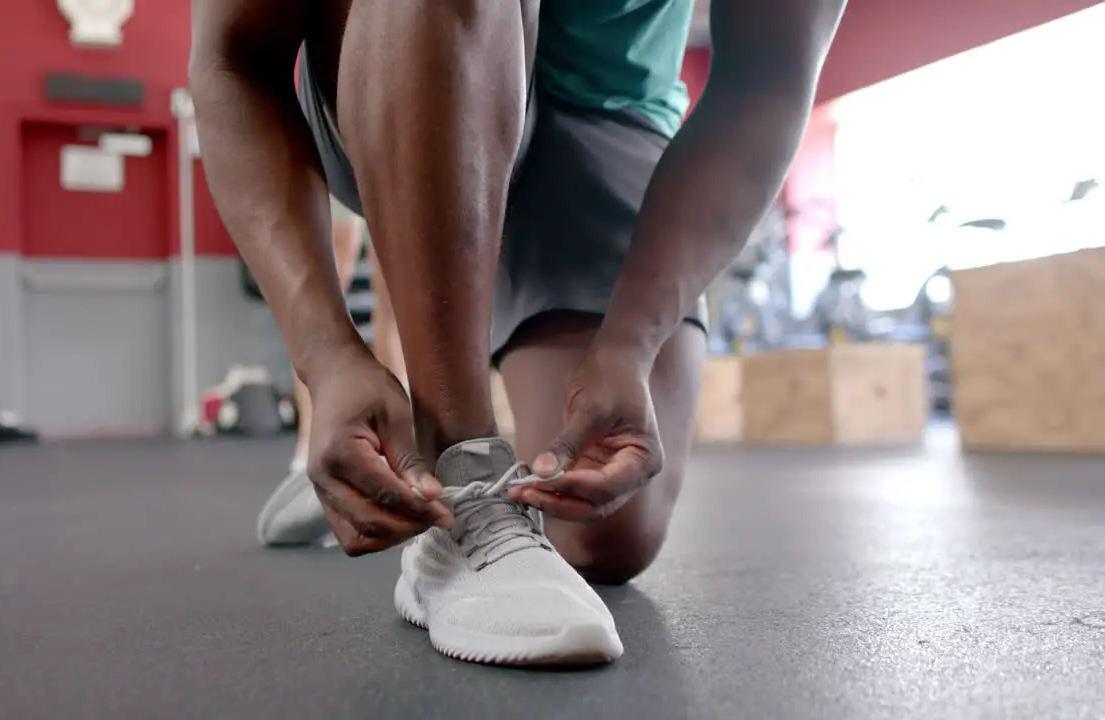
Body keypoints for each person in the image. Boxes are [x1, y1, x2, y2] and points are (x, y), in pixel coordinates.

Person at [191, 0, 845, 666]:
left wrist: (629, 341)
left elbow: (765, 82)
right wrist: (327, 355)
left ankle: (394, 465)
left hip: (607, 109)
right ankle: (456, 475)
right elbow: (234, 58)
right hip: (401, 45)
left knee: (606, 529)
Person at [255, 196, 406, 547]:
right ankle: (311, 445)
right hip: (338, 161)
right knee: (326, 286)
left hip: (386, 158)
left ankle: (401, 444)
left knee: (398, 297)